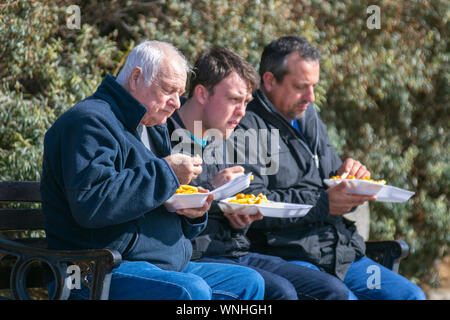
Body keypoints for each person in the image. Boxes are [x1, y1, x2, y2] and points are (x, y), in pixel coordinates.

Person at [40, 40, 264, 300]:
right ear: (136, 78)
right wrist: (167, 172)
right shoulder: (89, 121)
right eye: (169, 90)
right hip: (97, 269)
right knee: (190, 291)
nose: (177, 103)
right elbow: (92, 203)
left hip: (164, 264)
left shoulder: (152, 124)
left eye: (179, 93)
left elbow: (152, 195)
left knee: (248, 283)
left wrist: (191, 212)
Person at [235, 36, 426, 300]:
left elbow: (331, 178)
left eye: (313, 86)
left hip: (342, 253)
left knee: (410, 296)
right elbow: (253, 204)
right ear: (269, 80)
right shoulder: (245, 125)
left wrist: (351, 180)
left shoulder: (307, 114)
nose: (311, 97)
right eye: (301, 87)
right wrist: (324, 204)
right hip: (288, 257)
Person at [167, 47, 356, 300]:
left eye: (246, 102)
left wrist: (240, 219)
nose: (242, 112)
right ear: (201, 93)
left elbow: (246, 201)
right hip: (196, 256)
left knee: (332, 292)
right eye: (234, 100)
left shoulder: (228, 138)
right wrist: (211, 191)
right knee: (282, 293)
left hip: (237, 251)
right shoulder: (164, 136)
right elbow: (161, 204)